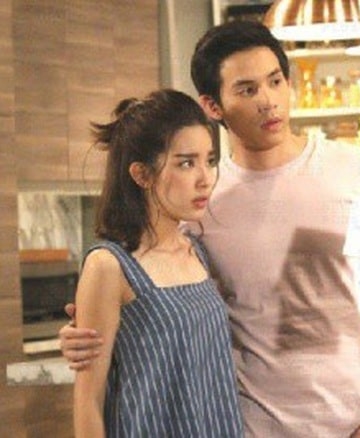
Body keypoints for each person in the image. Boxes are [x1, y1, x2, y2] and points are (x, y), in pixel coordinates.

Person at [62, 20, 360, 437]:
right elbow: (157, 287)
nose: (269, 101)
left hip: (358, 426)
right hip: (248, 427)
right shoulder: (202, 201)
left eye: (275, 81)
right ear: (212, 106)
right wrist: (87, 331)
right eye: (247, 90)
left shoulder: (357, 171)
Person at [72, 89, 243, 437]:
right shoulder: (109, 266)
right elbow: (88, 400)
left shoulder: (197, 252)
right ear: (142, 174)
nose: (205, 178)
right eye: (186, 163)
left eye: (209, 160)